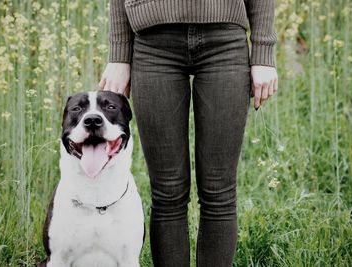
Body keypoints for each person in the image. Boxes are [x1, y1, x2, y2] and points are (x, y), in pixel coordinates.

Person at [99, 1, 278, 266]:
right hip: (152, 43)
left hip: (225, 41)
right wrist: (119, 55)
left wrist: (263, 49)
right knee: (167, 191)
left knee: (219, 190)